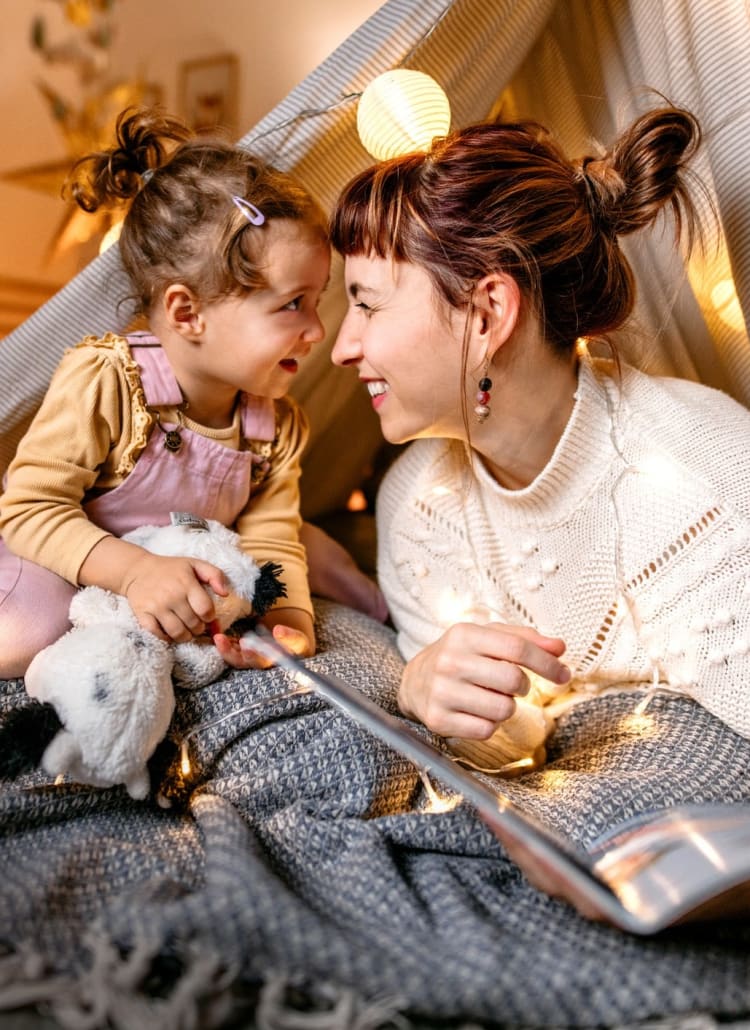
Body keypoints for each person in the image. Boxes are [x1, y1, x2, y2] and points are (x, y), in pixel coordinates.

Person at [329, 104, 750, 769]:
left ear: (488, 312)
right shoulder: (415, 501)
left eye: (367, 303)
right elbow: (505, 764)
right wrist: (423, 691)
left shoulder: (708, 481)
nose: (342, 348)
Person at [0, 106, 383, 680]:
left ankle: (382, 613)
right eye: (291, 305)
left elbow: (270, 534)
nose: (318, 331)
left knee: (311, 553)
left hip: (197, 550)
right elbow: (30, 510)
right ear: (187, 312)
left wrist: (287, 623)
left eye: (317, 300)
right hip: (77, 552)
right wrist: (133, 573)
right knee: (20, 636)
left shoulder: (274, 423)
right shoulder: (107, 380)